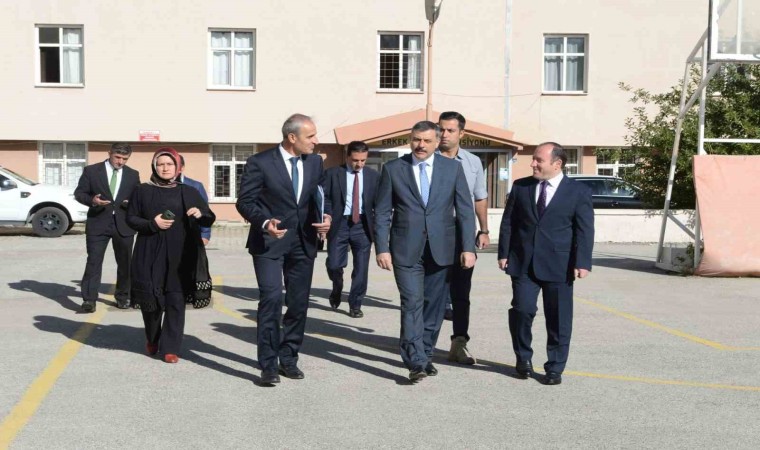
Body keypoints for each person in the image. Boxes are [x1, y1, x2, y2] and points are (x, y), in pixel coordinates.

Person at [374, 120, 476, 382]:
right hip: (405, 249)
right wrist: (382, 248)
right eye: (416, 139)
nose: (420, 145)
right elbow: (382, 212)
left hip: (442, 249)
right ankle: (415, 360)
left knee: (435, 305)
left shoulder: (452, 169)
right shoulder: (394, 169)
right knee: (412, 302)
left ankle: (425, 353)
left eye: (427, 141)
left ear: (437, 141)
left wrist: (468, 247)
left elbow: (465, 210)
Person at [236, 114, 332, 386]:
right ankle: (268, 365)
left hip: (304, 242)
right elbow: (245, 202)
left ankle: (288, 358)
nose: (316, 141)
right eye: (310, 136)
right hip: (269, 242)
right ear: (292, 137)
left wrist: (327, 216)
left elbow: (321, 195)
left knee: (298, 303)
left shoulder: (315, 162)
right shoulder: (260, 162)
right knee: (271, 299)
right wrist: (265, 222)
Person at [497, 142, 594, 385]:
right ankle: (523, 358)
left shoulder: (578, 192)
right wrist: (504, 252)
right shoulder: (521, 187)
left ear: (557, 164)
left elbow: (584, 230)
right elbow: (509, 222)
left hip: (559, 264)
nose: (533, 164)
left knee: (558, 318)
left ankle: (555, 367)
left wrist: (583, 262)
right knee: (522, 310)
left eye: (538, 160)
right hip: (523, 262)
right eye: (533, 159)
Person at [127, 147, 215, 364]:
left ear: (177, 167)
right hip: (149, 251)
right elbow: (131, 219)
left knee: (176, 300)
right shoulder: (142, 191)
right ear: (154, 166)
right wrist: (152, 224)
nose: (165, 168)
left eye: (169, 164)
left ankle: (170, 348)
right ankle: (152, 337)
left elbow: (209, 217)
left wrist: (200, 214)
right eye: (160, 164)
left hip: (180, 254)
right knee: (151, 301)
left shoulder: (189, 191)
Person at [437, 111, 490, 365]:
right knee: (432, 291)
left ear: (461, 133)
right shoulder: (427, 159)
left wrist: (484, 230)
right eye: (441, 129)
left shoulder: (472, 162)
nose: (444, 134)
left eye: (450, 130)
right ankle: (423, 343)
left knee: (461, 292)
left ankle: (459, 343)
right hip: (433, 232)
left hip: (463, 233)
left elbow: (479, 197)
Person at [74, 142, 141, 312]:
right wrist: (92, 200)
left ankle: (123, 297)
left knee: (125, 263)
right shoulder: (91, 171)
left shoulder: (133, 175)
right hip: (98, 223)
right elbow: (79, 193)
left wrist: (130, 203)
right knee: (94, 262)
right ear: (109, 153)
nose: (120, 162)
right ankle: (89, 300)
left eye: (125, 159)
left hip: (124, 225)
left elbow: (138, 198)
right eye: (117, 157)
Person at [323, 141, 379, 318]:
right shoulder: (332, 174)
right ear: (347, 157)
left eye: (363, 160)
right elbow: (325, 198)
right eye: (355, 160)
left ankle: (355, 304)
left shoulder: (373, 176)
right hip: (339, 224)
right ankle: (337, 286)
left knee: (361, 269)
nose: (359, 164)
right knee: (334, 264)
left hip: (362, 225)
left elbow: (379, 202)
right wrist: (327, 215)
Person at [180, 155, 212, 246]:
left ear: (182, 167)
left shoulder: (195, 186)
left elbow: (205, 210)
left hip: (191, 233)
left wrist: (205, 234)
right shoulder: (161, 187)